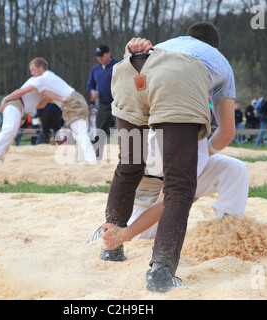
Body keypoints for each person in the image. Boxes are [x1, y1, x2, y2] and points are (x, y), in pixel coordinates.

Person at [101, 22, 237, 293]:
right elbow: (227, 132)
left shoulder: (168, 43)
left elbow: (139, 53)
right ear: (214, 46)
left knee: (129, 166)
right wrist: (201, 152)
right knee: (179, 186)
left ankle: (111, 247)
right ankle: (161, 270)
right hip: (178, 79)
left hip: (130, 71)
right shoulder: (219, 62)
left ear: (188, 36)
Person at [99, 132, 248, 250]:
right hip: (150, 191)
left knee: (234, 168)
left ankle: (229, 232)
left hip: (182, 168)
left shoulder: (195, 147)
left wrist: (196, 164)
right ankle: (102, 233)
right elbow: (167, 200)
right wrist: (127, 233)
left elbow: (227, 133)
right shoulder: (157, 141)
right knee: (141, 238)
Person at [0, 57, 96, 163]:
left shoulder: (42, 79)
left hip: (71, 103)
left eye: (33, 69)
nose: (31, 73)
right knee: (10, 131)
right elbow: (44, 98)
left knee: (80, 134)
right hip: (20, 105)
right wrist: (60, 98)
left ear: (41, 68)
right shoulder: (47, 78)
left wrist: (5, 99)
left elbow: (23, 92)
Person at [87, 45, 119, 159]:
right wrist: (92, 91)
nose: (100, 58)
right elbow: (90, 84)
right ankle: (96, 156)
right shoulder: (95, 69)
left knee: (120, 129)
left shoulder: (118, 66)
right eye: (98, 56)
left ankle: (122, 154)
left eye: (102, 55)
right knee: (100, 129)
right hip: (102, 104)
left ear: (108, 54)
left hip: (117, 103)